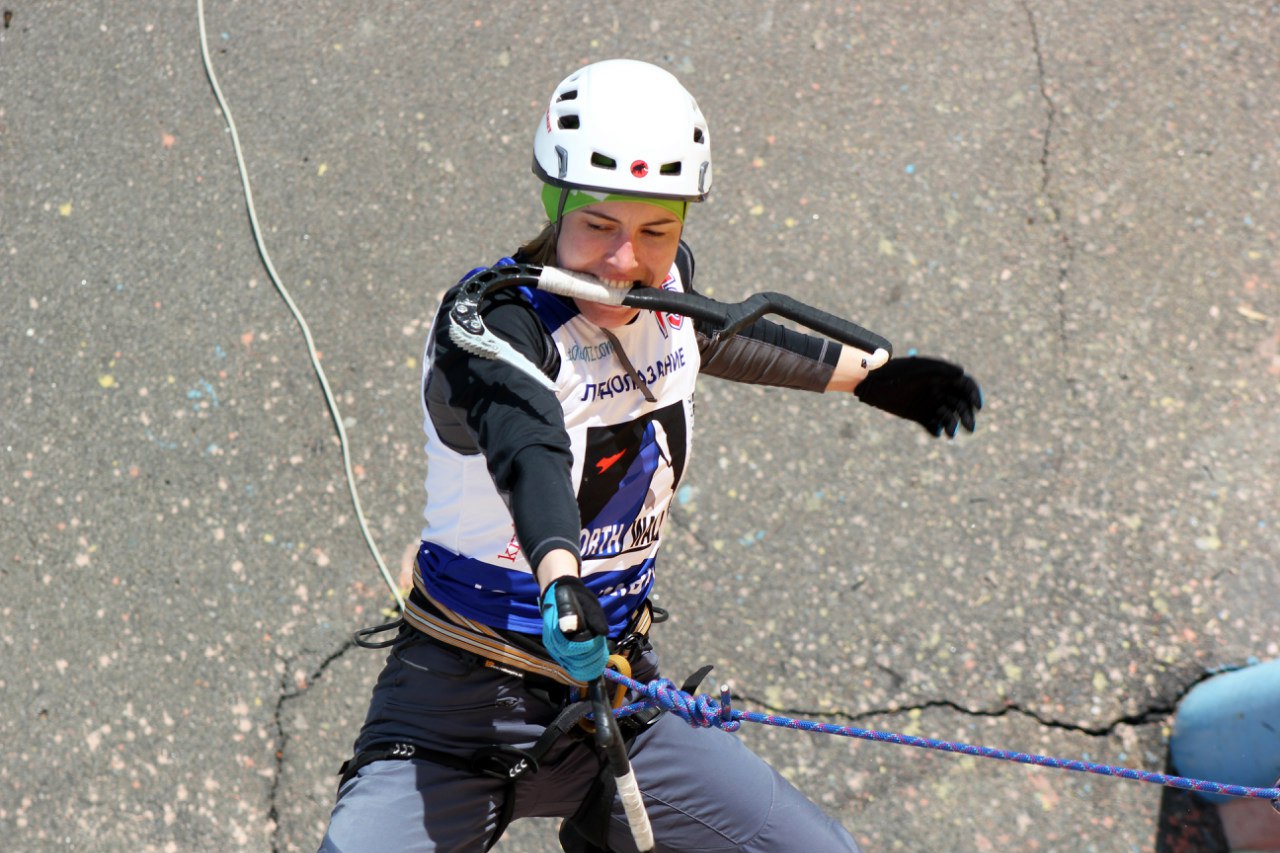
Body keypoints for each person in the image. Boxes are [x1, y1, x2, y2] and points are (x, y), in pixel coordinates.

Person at [318, 58, 981, 853]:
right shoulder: (490, 330)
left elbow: (711, 333)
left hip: (615, 697)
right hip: (455, 707)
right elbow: (527, 445)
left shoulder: (661, 292)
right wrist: (561, 578)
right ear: (553, 206)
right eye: (599, 226)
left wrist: (872, 379)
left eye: (656, 231)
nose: (626, 262)